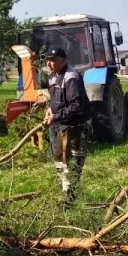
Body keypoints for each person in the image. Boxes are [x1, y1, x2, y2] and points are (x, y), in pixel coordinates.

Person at [41, 47, 90, 207]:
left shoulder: (71, 77)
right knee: (59, 161)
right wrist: (49, 109)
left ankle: (71, 198)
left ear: (63, 60)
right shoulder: (53, 75)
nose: (49, 63)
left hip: (74, 126)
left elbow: (76, 106)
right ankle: (65, 194)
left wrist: (55, 116)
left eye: (53, 60)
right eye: (47, 60)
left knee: (73, 163)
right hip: (60, 124)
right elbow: (53, 98)